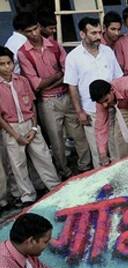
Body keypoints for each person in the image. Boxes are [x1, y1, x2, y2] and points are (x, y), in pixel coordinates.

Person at [16, 14, 79, 180]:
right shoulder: (23, 53)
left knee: (79, 133)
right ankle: (65, 173)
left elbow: (68, 71)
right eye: (29, 31)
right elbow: (36, 84)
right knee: (56, 140)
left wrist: (50, 81)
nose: (34, 34)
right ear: (23, 33)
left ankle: (84, 166)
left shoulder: (54, 45)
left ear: (39, 25)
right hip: (47, 101)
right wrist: (57, 76)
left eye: (35, 28)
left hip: (66, 95)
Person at [0, 47, 61, 206]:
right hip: (11, 128)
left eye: (9, 63)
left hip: (30, 124)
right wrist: (15, 135)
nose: (7, 67)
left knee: (43, 156)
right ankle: (27, 195)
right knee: (18, 164)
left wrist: (34, 128)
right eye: (2, 64)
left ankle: (55, 187)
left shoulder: (22, 81)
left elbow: (32, 105)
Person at [64, 17, 123, 170]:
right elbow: (72, 86)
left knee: (116, 146)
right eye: (93, 33)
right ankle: (103, 186)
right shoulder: (73, 57)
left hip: (112, 108)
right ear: (82, 34)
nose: (98, 36)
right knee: (98, 151)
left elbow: (118, 78)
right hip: (91, 111)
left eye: (99, 32)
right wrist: (79, 112)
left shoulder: (108, 51)